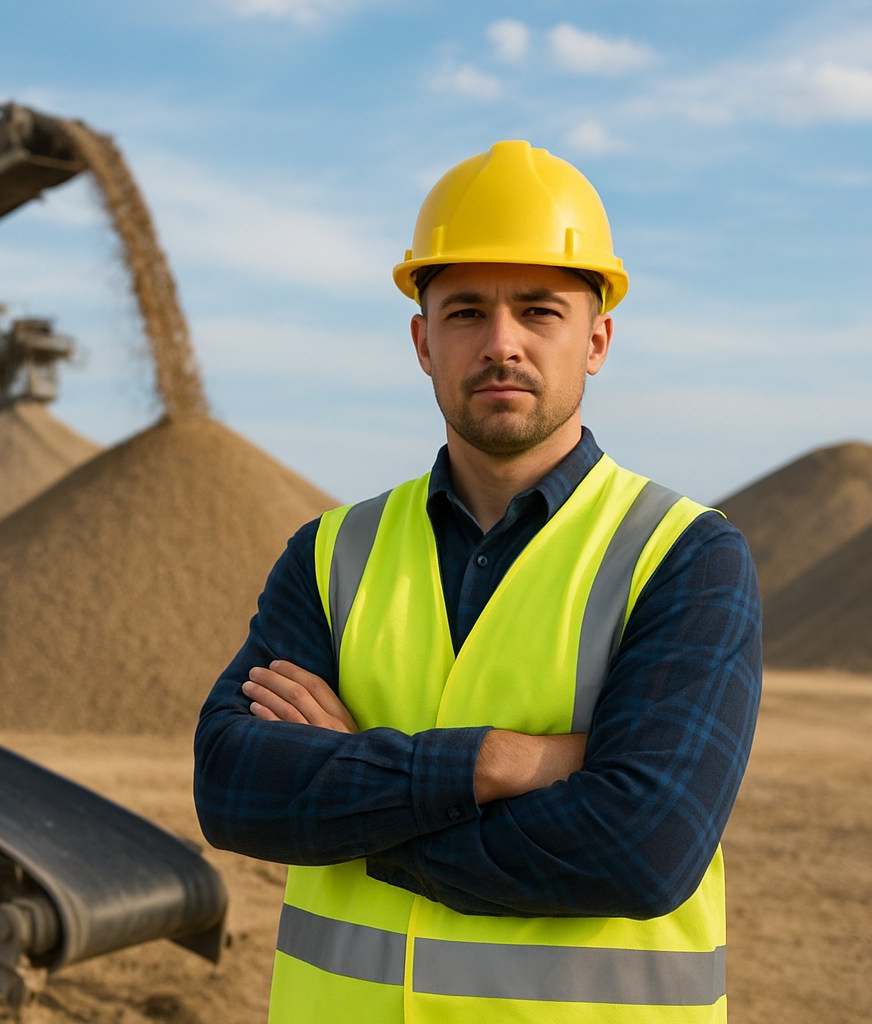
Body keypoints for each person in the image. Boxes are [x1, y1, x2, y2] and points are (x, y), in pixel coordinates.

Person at [193, 140, 761, 1024]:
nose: (502, 343)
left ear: (596, 341)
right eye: (465, 312)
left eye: (539, 311)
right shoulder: (331, 553)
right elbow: (235, 789)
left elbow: (643, 848)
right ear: (424, 341)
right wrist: (501, 762)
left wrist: (360, 799)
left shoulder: (684, 555)